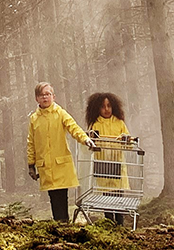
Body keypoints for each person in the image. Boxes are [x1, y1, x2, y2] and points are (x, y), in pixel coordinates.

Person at [26, 82, 93, 222]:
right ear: (36, 98)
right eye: (41, 95)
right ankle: (59, 223)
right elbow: (31, 142)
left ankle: (64, 223)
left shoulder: (60, 113)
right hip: (46, 165)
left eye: (48, 94)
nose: (45, 98)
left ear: (53, 97)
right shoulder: (34, 119)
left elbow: (73, 127)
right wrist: (31, 164)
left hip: (61, 164)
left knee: (62, 194)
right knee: (53, 196)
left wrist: (85, 140)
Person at [85, 92, 130, 223]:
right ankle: (109, 222)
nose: (106, 109)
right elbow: (91, 141)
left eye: (109, 106)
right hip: (103, 164)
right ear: (97, 108)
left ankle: (120, 224)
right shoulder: (95, 124)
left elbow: (128, 142)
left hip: (117, 164)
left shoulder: (119, 123)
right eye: (103, 106)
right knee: (107, 196)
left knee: (118, 195)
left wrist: (126, 140)